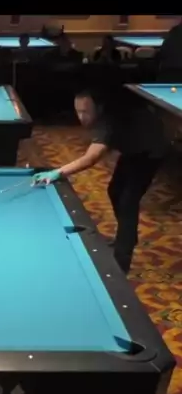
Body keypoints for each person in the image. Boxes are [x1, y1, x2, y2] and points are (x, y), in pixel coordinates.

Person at [32, 91, 170, 274]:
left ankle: (122, 260)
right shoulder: (106, 117)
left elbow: (91, 158)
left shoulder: (107, 122)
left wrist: (58, 172)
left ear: (98, 108)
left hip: (151, 149)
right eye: (78, 111)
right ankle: (126, 236)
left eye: (86, 112)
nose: (82, 117)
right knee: (114, 191)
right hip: (133, 146)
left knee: (128, 201)